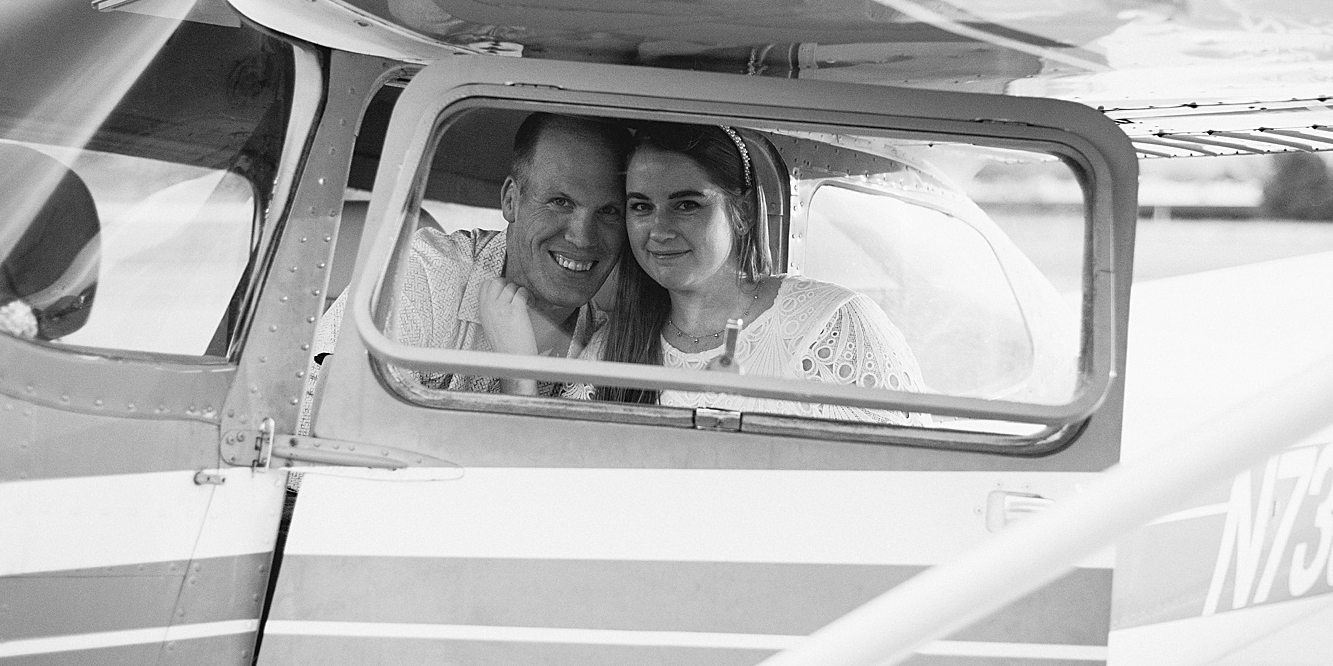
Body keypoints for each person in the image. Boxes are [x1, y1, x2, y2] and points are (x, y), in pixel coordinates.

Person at [300, 112, 628, 429]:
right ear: (511, 200)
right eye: (560, 202)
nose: (582, 237)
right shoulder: (425, 274)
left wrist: (517, 373)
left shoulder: (609, 340)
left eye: (610, 211)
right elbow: (341, 431)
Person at [583, 121, 924, 421]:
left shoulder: (832, 323)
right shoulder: (608, 351)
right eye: (641, 207)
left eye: (686, 205)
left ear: (742, 212)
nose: (659, 230)